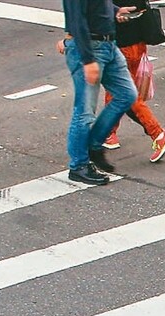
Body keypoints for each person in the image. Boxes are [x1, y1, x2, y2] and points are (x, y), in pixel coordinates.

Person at [59, 0, 137, 186]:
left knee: (127, 94)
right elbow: (77, 20)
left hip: (108, 45)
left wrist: (115, 10)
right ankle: (78, 166)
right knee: (84, 111)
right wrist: (88, 60)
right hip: (88, 49)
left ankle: (93, 146)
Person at [99, 0, 165, 163]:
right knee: (116, 89)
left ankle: (158, 133)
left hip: (121, 42)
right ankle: (109, 133)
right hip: (137, 40)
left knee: (125, 92)